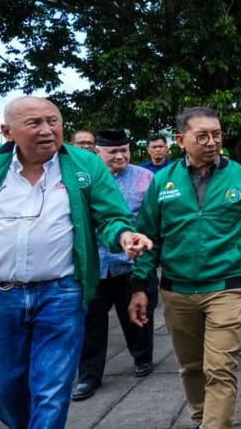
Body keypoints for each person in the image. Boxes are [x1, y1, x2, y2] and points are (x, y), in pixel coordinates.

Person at [0, 96, 152, 429]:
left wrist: (123, 236)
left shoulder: (85, 164)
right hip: (0, 296)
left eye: (53, 121)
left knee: (51, 389)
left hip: (62, 294)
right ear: (7, 131)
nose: (47, 130)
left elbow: (111, 216)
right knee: (1, 390)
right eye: (34, 123)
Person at [128, 107, 241, 429]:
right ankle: (201, 418)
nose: (212, 142)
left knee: (220, 368)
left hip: (227, 286)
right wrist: (139, 286)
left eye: (217, 134)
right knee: (191, 367)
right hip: (177, 290)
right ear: (181, 140)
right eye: (203, 136)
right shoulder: (162, 182)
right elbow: (149, 234)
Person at [71, 129, 157, 402]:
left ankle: (142, 358)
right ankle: (88, 376)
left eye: (125, 150)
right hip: (95, 265)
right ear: (98, 151)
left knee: (137, 316)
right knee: (90, 324)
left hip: (132, 264)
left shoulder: (146, 178)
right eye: (113, 152)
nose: (120, 156)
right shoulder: (84, 178)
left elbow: (152, 221)